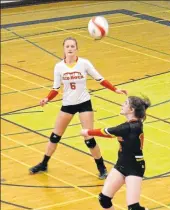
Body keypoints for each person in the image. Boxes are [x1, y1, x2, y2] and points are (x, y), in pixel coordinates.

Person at [29, 37, 127, 179]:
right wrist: (47, 98)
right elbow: (56, 88)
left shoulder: (84, 63)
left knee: (89, 139)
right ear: (64, 49)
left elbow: (100, 79)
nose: (70, 48)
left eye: (72, 46)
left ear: (76, 48)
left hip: (84, 103)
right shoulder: (59, 67)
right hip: (68, 104)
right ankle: (44, 164)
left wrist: (115, 89)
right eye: (67, 46)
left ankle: (102, 169)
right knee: (55, 137)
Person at [81, 96, 170, 210]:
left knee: (134, 208)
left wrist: (87, 131)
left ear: (132, 110)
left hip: (135, 168)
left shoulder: (132, 127)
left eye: (125, 104)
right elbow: (114, 132)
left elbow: (108, 131)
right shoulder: (130, 125)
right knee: (104, 198)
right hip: (121, 164)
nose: (122, 105)